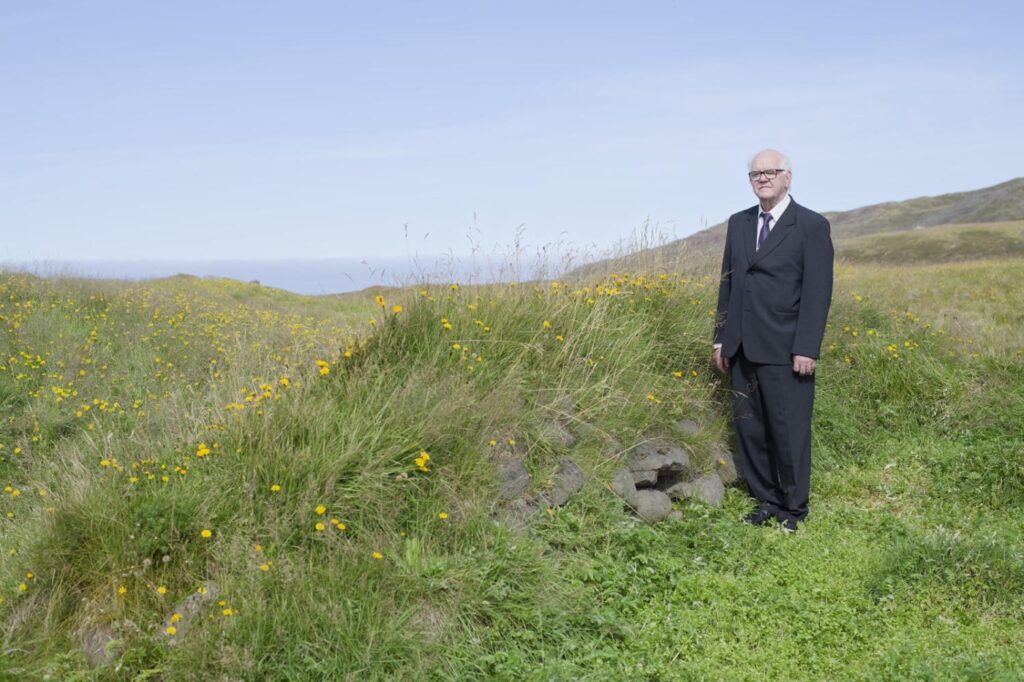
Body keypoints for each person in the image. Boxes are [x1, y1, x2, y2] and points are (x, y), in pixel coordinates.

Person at [712, 149, 833, 532]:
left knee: (788, 430)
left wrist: (807, 347)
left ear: (788, 177)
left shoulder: (811, 225)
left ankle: (794, 510)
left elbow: (817, 291)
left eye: (770, 172)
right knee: (751, 430)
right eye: (755, 174)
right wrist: (720, 339)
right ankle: (767, 501)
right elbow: (728, 283)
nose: (762, 178)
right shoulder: (739, 223)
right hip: (741, 347)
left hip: (786, 349)